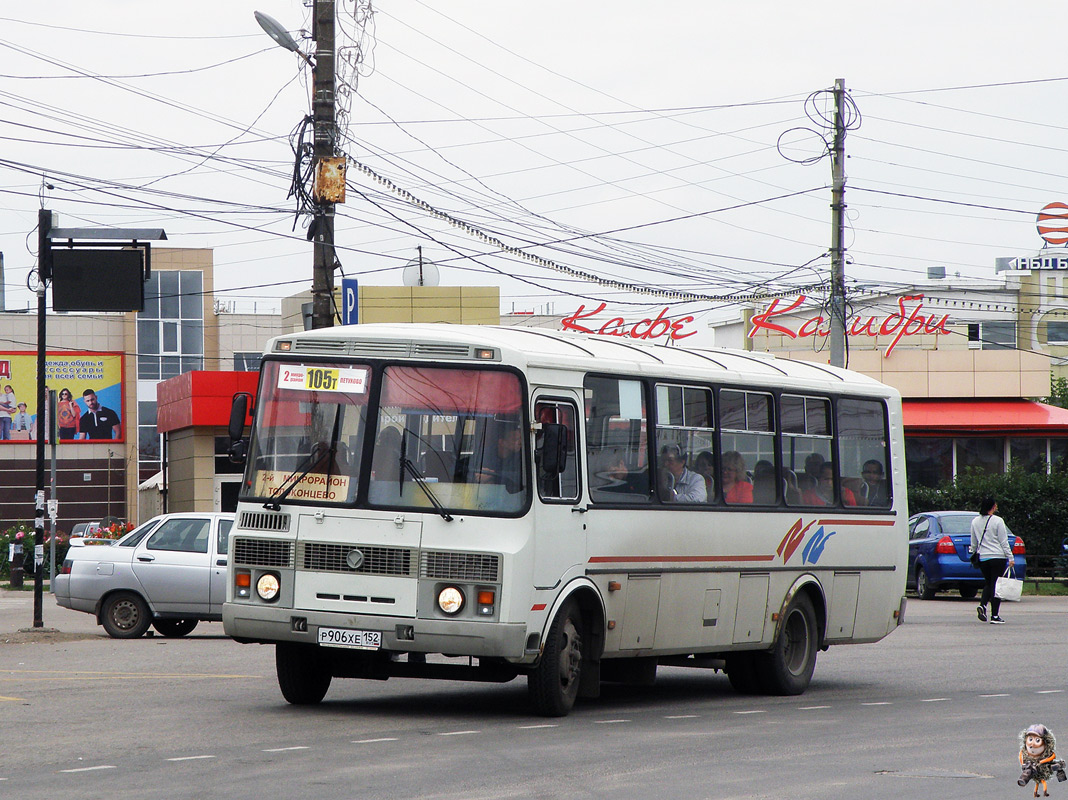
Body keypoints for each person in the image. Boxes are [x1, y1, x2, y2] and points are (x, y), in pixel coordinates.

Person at [970, 497, 1013, 624]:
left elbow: (974, 542)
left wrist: (974, 553)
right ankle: (995, 616)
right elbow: (1003, 541)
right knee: (997, 586)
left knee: (989, 583)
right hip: (998, 557)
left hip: (983, 557)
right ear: (993, 506)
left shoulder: (975, 521)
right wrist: (1010, 557)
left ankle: (983, 605)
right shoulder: (998, 521)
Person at [477, 422, 524, 493]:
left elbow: (520, 478)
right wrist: (476, 476)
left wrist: (492, 476)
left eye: (520, 439)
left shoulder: (522, 457)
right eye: (515, 439)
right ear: (502, 442)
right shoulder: (484, 455)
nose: (520, 442)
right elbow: (469, 467)